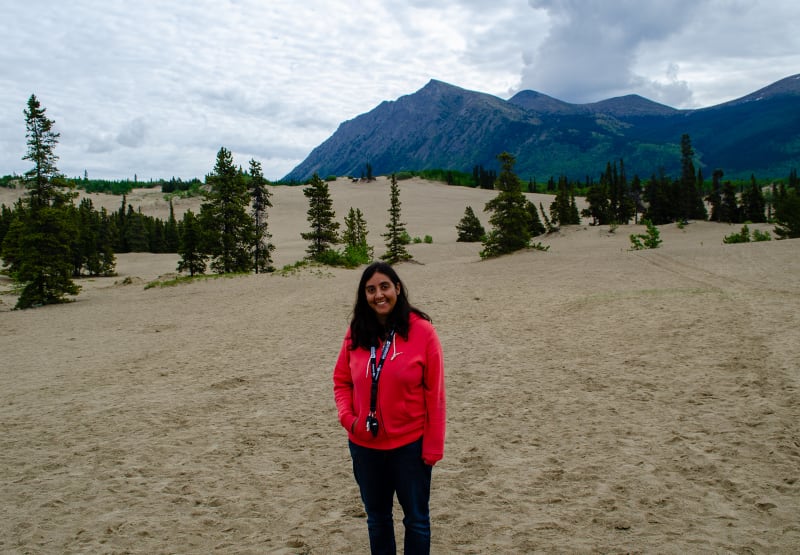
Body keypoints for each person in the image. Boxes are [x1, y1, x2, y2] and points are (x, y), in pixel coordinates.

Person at [333, 261, 446, 554]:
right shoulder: (356, 332)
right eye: (370, 290)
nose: (378, 295)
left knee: (417, 520)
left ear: (397, 288)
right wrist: (349, 420)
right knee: (378, 519)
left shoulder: (422, 332)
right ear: (364, 296)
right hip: (365, 447)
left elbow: (435, 394)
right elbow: (341, 381)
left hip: (410, 448)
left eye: (384, 287)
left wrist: (433, 447)